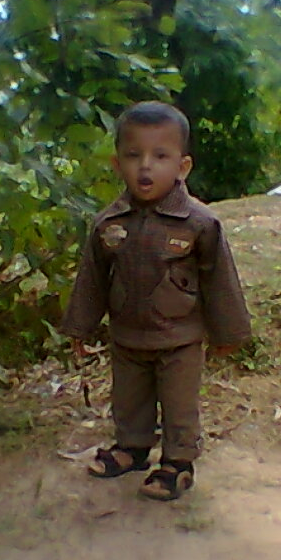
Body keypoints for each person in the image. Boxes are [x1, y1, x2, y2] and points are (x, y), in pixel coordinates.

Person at [60, 101, 251, 501]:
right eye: (134, 156)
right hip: (127, 336)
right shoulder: (108, 223)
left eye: (160, 156)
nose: (145, 167)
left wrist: (228, 333)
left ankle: (178, 463)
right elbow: (92, 278)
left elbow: (220, 280)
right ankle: (132, 449)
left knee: (179, 405)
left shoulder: (200, 223)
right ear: (117, 164)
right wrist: (81, 326)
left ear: (182, 166)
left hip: (180, 338)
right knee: (129, 399)